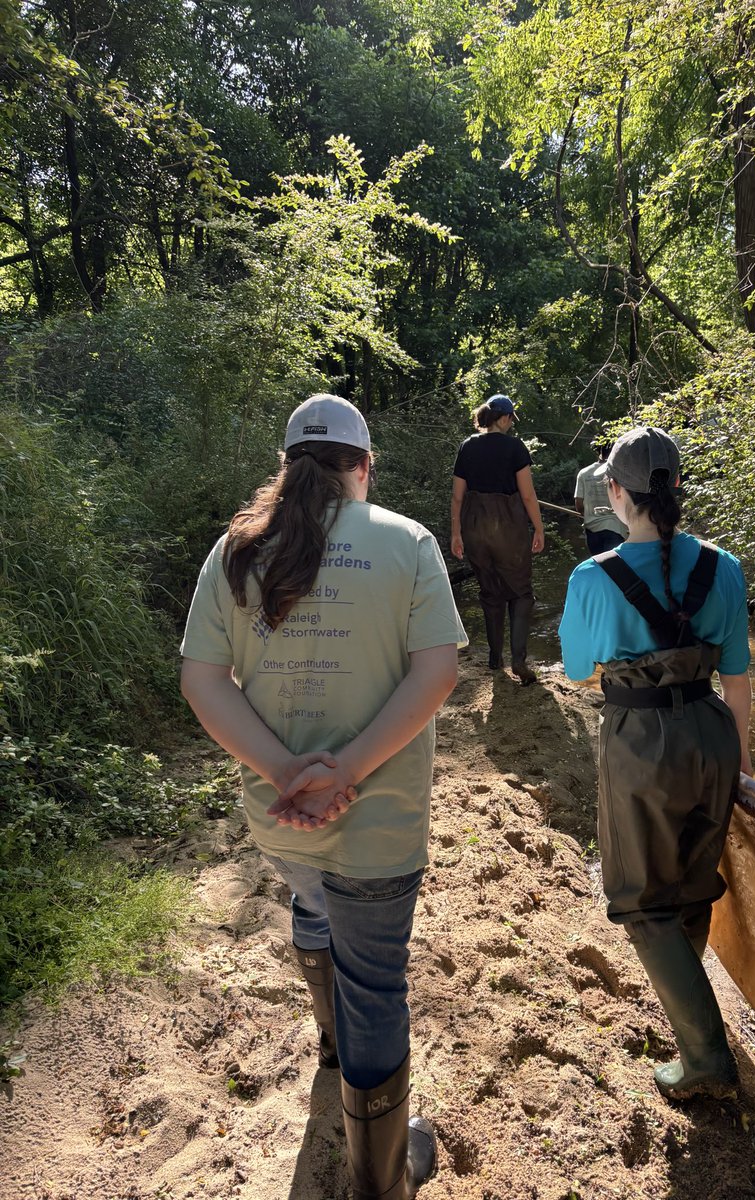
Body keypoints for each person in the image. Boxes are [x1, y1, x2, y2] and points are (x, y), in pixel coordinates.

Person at [180, 394, 467, 1199]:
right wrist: (347, 773)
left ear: (287, 466)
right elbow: (436, 673)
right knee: (377, 980)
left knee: (313, 903)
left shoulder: (234, 552)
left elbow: (202, 677)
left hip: (280, 820)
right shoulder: (406, 542)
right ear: (362, 468)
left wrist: (283, 771)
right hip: (379, 822)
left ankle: (333, 1051)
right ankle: (383, 1178)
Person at [558, 426, 753, 1102]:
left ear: (615, 492)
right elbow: (739, 680)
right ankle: (688, 1002)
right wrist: (743, 768)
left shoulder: (592, 576)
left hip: (642, 740)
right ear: (676, 487)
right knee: (695, 882)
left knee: (641, 902)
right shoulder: (725, 566)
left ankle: (705, 1055)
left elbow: (580, 671)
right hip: (715, 735)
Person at [450, 392, 544, 685]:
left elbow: (457, 497)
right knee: (520, 592)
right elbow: (527, 495)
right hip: (508, 525)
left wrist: (456, 533)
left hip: (475, 525)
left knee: (490, 592)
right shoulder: (515, 447)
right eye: (510, 419)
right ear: (503, 418)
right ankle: (518, 660)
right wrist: (539, 528)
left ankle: (494, 659)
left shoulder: (467, 447)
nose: (511, 425)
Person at [573, 441, 628, 554]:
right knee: (614, 568)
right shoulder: (620, 472)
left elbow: (579, 505)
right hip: (616, 528)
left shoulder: (583, 473)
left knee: (599, 567)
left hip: (592, 529)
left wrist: (589, 514)